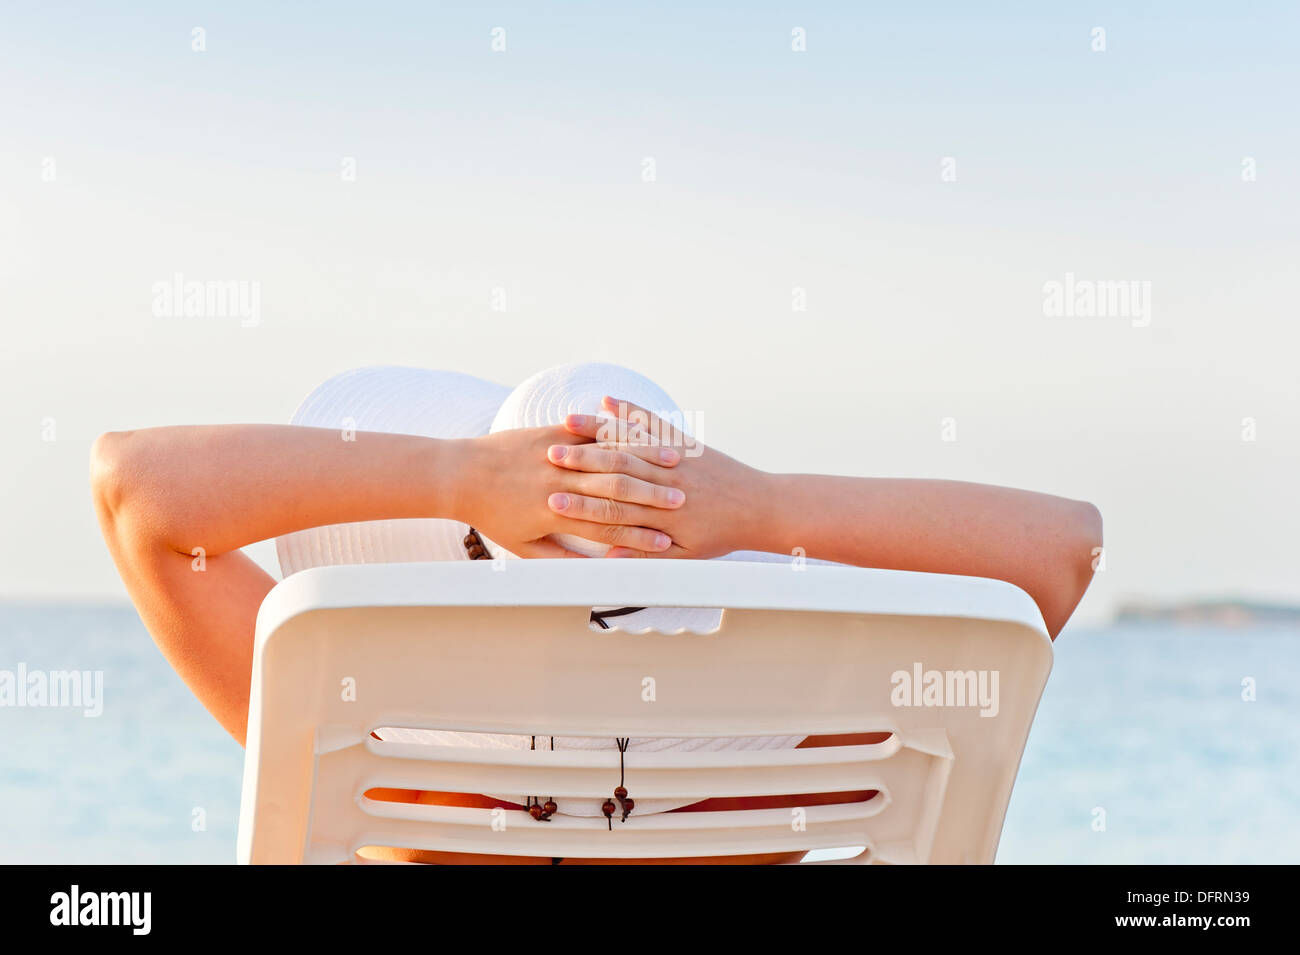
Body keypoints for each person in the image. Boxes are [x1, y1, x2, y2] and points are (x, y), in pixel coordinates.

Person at [90, 362, 1102, 864]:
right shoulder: (763, 804)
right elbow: (1060, 550)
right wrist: (760, 508)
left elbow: (137, 491)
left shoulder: (381, 764)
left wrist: (455, 475)